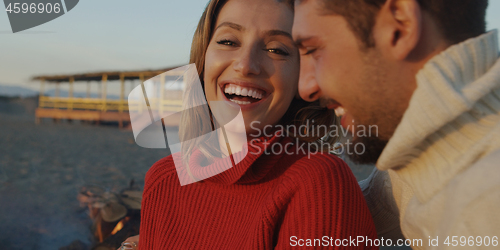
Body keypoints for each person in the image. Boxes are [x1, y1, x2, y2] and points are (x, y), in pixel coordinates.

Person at [120, 0, 379, 249]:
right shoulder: (163, 179)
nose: (245, 65)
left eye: (277, 49)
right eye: (228, 41)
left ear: (303, 77)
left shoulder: (317, 181)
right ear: (202, 60)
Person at [291, 0, 500, 247]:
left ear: (401, 25)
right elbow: (341, 214)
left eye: (313, 50)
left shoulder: (486, 204)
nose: (305, 87)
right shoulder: (420, 160)